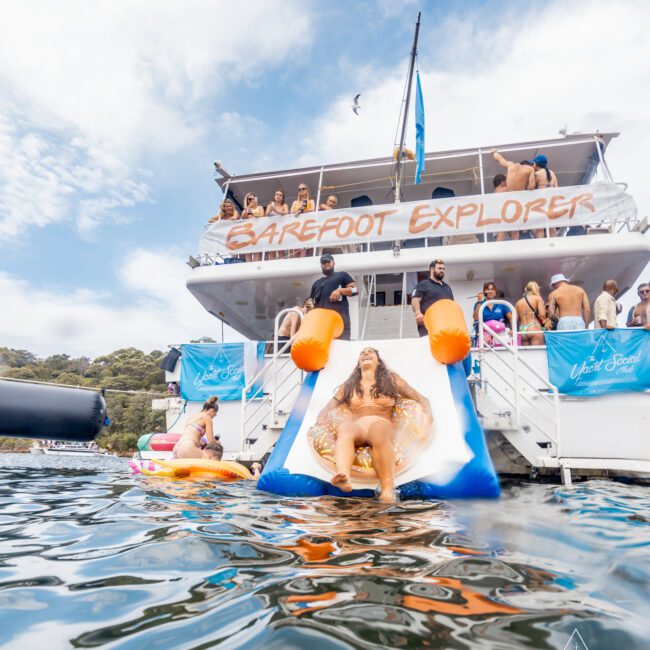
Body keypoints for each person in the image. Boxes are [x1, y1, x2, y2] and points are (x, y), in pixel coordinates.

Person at [316, 347, 432, 502]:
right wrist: (319, 424)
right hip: (359, 427)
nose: (365, 353)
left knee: (378, 432)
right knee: (346, 428)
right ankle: (344, 477)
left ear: (378, 361)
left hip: (382, 423)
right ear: (358, 364)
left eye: (370, 352)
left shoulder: (391, 380)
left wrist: (427, 421)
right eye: (362, 352)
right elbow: (328, 408)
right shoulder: (350, 385)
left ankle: (387, 490)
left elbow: (421, 399)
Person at [309, 254, 357, 341]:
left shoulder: (342, 275)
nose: (326, 264)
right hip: (321, 322)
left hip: (339, 320)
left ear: (334, 263)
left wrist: (340, 291)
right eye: (324, 262)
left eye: (328, 261)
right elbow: (310, 302)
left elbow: (355, 290)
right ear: (321, 265)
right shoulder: (317, 283)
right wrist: (306, 306)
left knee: (342, 346)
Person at [411, 259, 454, 337]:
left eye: (443, 269)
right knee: (428, 348)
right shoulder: (423, 284)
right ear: (432, 269)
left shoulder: (447, 287)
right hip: (428, 325)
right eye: (439, 268)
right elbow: (415, 299)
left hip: (445, 325)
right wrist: (418, 313)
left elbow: (451, 305)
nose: (442, 271)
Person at [530, 154, 559, 238]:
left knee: (540, 228)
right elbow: (557, 188)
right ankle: (555, 245)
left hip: (540, 204)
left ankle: (541, 245)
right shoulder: (552, 173)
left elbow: (531, 188)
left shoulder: (536, 174)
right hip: (551, 204)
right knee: (552, 226)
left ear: (536, 163)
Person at [515, 282, 547, 346]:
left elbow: (515, 319)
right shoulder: (537, 298)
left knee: (526, 355)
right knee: (537, 354)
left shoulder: (518, 302)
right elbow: (542, 314)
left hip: (522, 330)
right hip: (534, 327)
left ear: (526, 289)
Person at [493, 174, 519, 242]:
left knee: (500, 235)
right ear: (502, 182)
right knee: (514, 233)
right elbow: (514, 187)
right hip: (505, 216)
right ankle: (516, 247)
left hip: (498, 216)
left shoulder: (494, 192)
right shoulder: (503, 190)